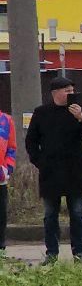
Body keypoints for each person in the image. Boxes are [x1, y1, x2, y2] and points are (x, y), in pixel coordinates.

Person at [25, 76, 82, 264]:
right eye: (66, 91)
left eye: (72, 90)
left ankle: (78, 253)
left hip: (74, 171)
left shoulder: (80, 110)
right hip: (50, 172)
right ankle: (52, 253)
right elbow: (31, 141)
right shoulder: (42, 113)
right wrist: (39, 161)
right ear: (55, 93)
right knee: (50, 215)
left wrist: (81, 118)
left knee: (77, 213)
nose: (70, 94)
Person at [0, 104, 14, 251]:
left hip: (0, 176)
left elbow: (11, 147)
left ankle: (1, 247)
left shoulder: (6, 120)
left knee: (1, 213)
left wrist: (7, 168)